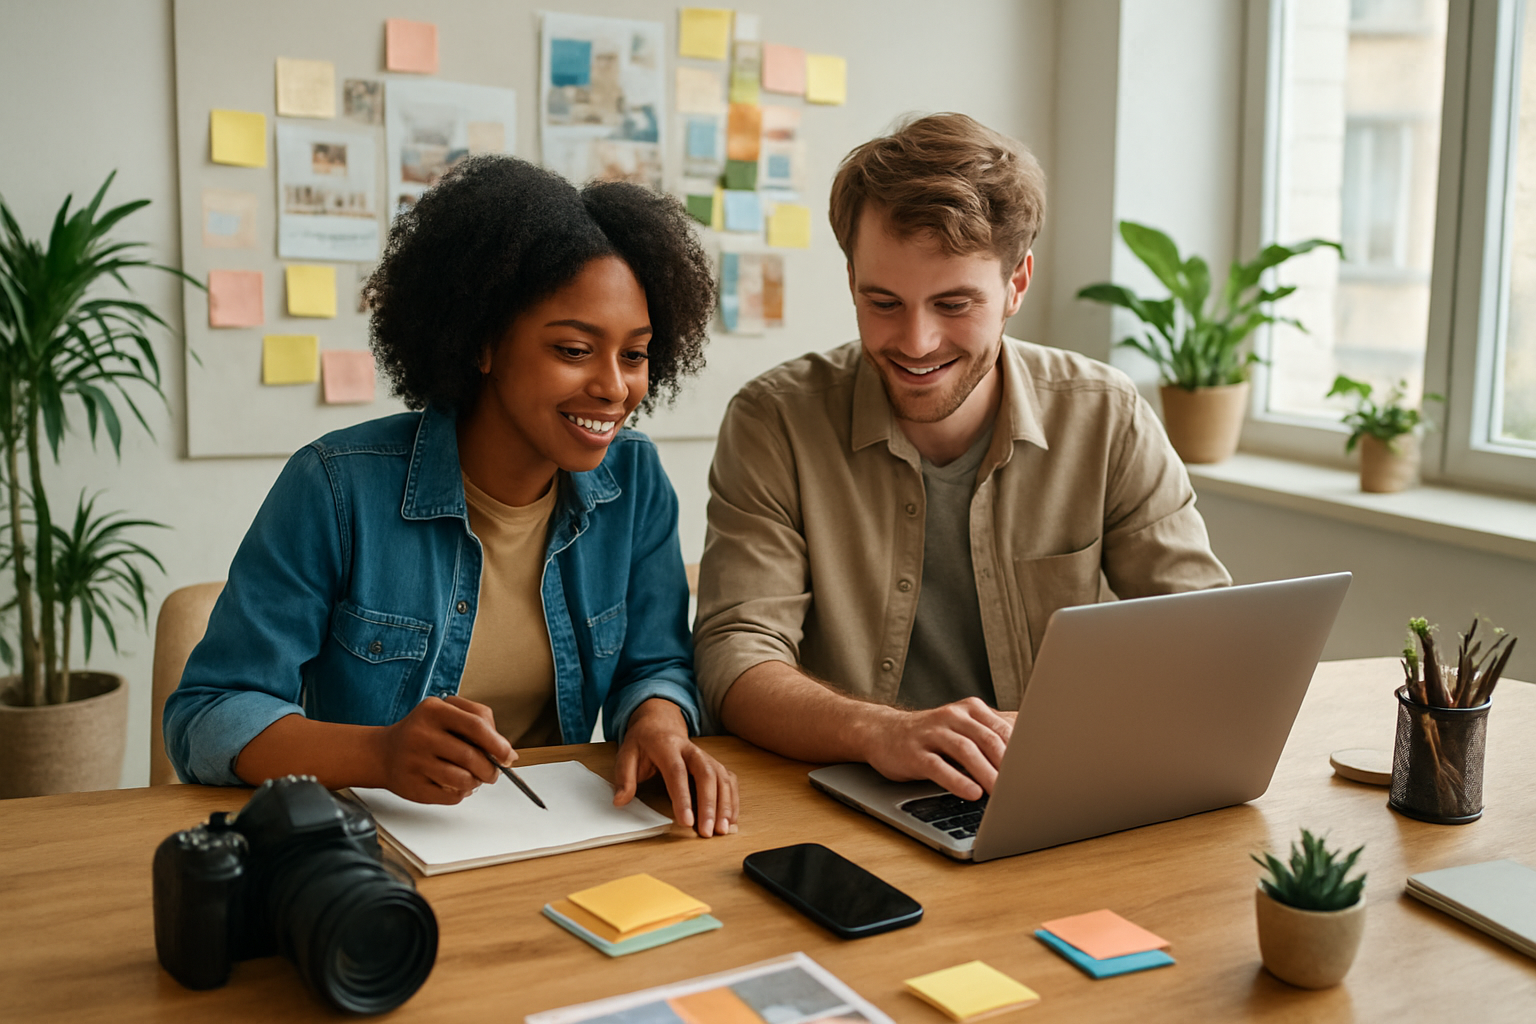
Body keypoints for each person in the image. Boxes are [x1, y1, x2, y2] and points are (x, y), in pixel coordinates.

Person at [166, 156, 738, 837]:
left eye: (635, 355)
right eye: (575, 349)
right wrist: (377, 754)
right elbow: (208, 716)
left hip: (561, 840)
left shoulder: (634, 486)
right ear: (483, 343)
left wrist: (657, 721)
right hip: (370, 856)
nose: (615, 388)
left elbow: (655, 665)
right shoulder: (337, 487)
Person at [693, 114, 1230, 802]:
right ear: (851, 277)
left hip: (1045, 788)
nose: (916, 342)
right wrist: (881, 731)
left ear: (1017, 284)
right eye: (881, 301)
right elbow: (735, 658)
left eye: (954, 303)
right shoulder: (774, 421)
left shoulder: (1106, 415)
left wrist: (1050, 732)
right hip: (844, 797)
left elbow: (1203, 645)